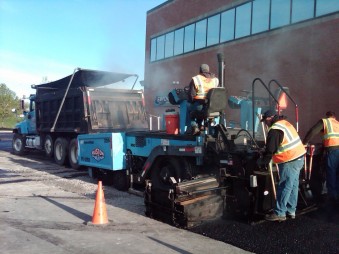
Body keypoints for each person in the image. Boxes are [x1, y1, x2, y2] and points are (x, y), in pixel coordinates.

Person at [257, 109, 306, 221]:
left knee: (284, 185)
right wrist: (266, 149)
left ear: (269, 118)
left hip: (289, 159)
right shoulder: (284, 123)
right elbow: (280, 142)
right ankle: (291, 210)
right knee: (292, 185)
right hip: (298, 157)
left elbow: (271, 150)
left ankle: (280, 213)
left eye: (265, 121)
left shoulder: (274, 129)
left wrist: (262, 161)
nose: (265, 123)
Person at [303, 111, 339, 204]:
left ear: (327, 116)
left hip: (333, 151)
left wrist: (304, 142)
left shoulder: (325, 121)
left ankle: (333, 197)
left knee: (331, 173)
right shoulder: (337, 123)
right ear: (334, 117)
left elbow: (312, 131)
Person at [187, 64, 219, 135]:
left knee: (189, 107)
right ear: (208, 70)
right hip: (212, 107)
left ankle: (194, 126)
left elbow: (191, 95)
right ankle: (200, 125)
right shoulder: (215, 80)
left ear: (200, 70)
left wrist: (191, 101)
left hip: (201, 105)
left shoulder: (196, 79)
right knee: (199, 111)